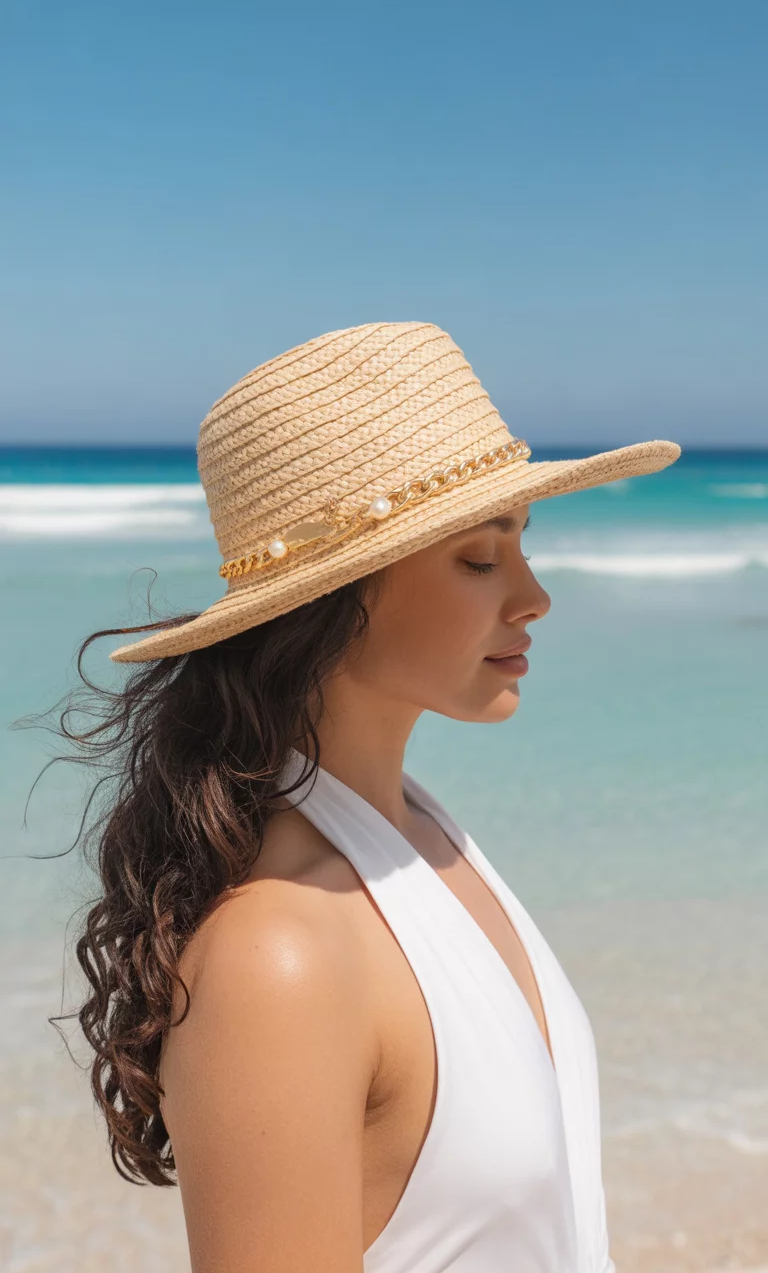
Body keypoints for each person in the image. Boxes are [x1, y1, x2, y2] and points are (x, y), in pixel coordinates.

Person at [57, 322, 680, 1271]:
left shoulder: (426, 839)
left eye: (522, 544)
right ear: (333, 598)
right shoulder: (281, 954)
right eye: (480, 558)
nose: (534, 596)